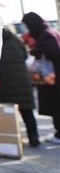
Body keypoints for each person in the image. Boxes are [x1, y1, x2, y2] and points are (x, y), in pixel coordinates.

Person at [0, 27, 40, 147]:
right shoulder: (16, 40)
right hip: (22, 79)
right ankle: (34, 137)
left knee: (7, 112)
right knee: (27, 110)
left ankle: (13, 140)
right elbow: (25, 56)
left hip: (4, 80)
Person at [22, 12, 60, 145]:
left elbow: (54, 52)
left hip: (54, 77)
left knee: (56, 105)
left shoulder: (46, 34)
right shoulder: (48, 31)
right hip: (53, 76)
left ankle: (59, 134)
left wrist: (37, 50)